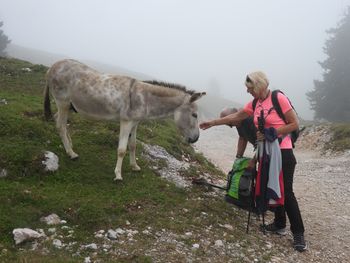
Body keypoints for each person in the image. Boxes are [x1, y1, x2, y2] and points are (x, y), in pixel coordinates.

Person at [199, 71, 307, 252]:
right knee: (271, 188)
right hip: (266, 153)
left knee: (286, 192)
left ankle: (299, 234)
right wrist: (213, 122)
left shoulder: (277, 97)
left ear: (258, 85)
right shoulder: (255, 103)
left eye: (249, 88)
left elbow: (294, 124)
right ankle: (280, 224)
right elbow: (236, 116)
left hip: (283, 152)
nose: (248, 92)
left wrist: (271, 133)